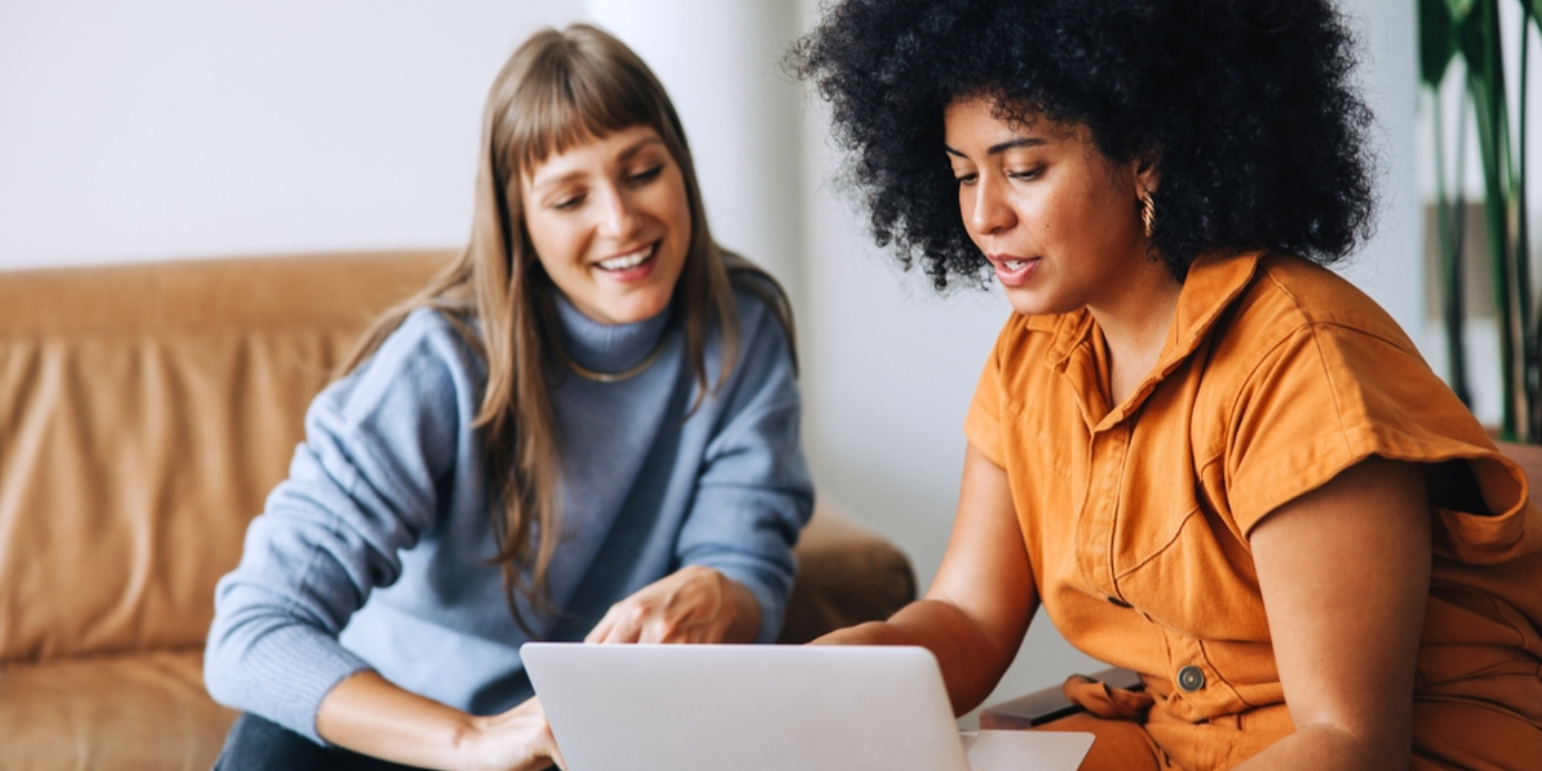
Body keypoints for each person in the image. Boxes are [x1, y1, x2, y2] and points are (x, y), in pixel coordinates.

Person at [795, 1, 1542, 770]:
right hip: (1180, 741)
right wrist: (850, 665)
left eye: (1023, 169)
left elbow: (1349, 740)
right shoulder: (1032, 355)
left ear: (1144, 153)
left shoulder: (1297, 364)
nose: (984, 215)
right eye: (963, 174)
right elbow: (969, 615)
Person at [204, 23, 812, 771]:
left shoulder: (742, 326)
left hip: (585, 733)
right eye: (568, 197)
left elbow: (748, 562)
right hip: (404, 727)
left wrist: (723, 588)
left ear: (680, 167)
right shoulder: (437, 362)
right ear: (518, 221)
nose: (620, 221)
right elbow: (251, 633)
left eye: (642, 171)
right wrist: (472, 739)